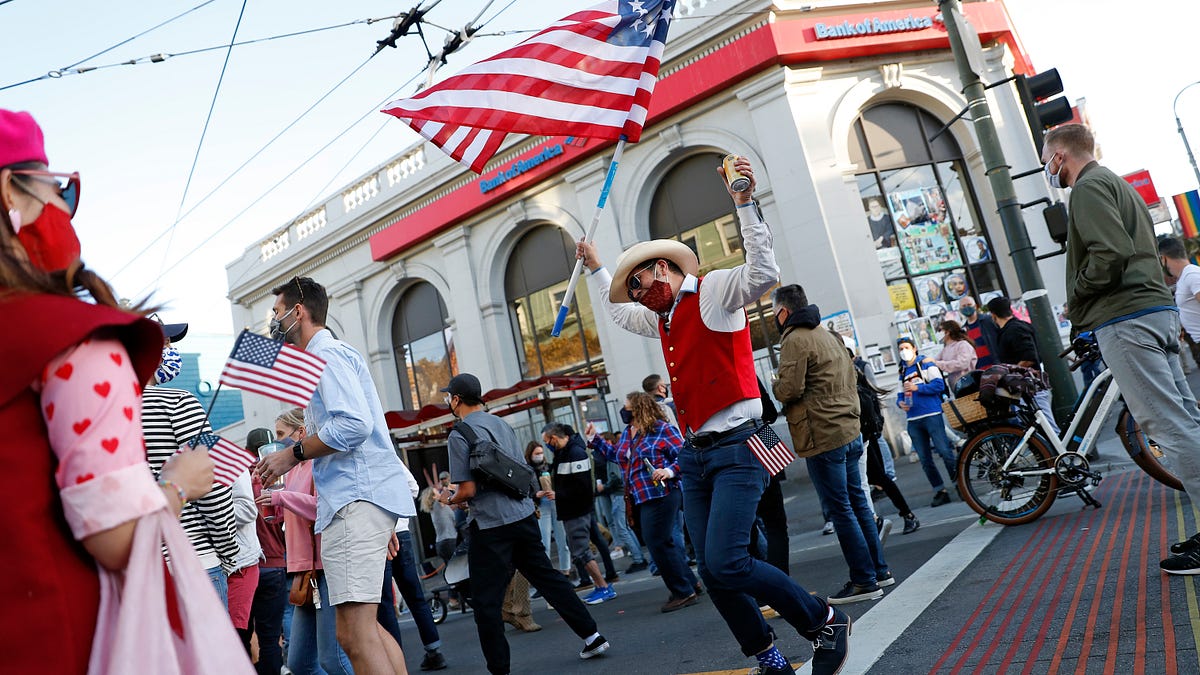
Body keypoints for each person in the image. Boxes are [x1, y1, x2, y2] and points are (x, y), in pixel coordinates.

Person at [576, 155, 850, 675]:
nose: (636, 294)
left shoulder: (713, 292)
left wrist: (744, 204)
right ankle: (769, 658)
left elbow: (764, 272)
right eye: (632, 289)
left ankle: (822, 620)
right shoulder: (662, 317)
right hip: (696, 455)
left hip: (739, 444)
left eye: (638, 283)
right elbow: (616, 313)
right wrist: (597, 267)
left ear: (662, 267)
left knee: (727, 562)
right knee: (714, 569)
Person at [0, 108, 239, 673]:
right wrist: (179, 485)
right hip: (60, 640)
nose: (65, 207)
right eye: (62, 190)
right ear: (13, 188)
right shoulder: (75, 343)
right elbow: (116, 538)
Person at [1042, 124, 1200, 575]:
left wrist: (1078, 294)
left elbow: (1109, 252)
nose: (1047, 172)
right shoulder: (1118, 185)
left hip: (1125, 317)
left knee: (1168, 425)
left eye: (1046, 163)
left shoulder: (1087, 189)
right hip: (1153, 311)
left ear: (1060, 156)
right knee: (1185, 419)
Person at [255, 276, 414, 675]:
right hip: (356, 500)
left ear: (298, 312)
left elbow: (353, 425)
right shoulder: (326, 358)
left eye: (276, 313)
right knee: (361, 630)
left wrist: (292, 454)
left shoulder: (325, 355)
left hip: (355, 500)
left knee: (355, 635)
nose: (273, 323)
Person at [438, 373, 610, 674]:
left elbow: (467, 490)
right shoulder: (501, 424)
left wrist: (448, 498)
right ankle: (592, 636)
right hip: (522, 514)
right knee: (549, 578)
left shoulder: (459, 434)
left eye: (448, 397)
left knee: (486, 601)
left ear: (455, 399)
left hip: (491, 526)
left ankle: (499, 668)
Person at [772, 284, 892, 605]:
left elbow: (788, 390)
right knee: (858, 503)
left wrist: (774, 382)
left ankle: (864, 580)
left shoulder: (795, 340)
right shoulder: (826, 334)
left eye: (774, 314)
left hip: (822, 435)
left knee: (841, 510)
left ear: (784, 312)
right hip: (849, 430)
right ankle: (879, 570)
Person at [142, 322, 240, 607]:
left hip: (138, 570)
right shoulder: (178, 403)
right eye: (167, 347)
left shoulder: (105, 413)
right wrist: (227, 550)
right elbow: (212, 485)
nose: (170, 353)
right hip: (193, 559)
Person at [258, 409, 353, 675]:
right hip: (303, 570)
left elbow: (322, 508)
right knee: (300, 662)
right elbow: (291, 512)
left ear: (300, 433)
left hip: (324, 565)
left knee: (333, 658)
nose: (277, 442)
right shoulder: (289, 472)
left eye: (280, 434)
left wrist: (281, 499)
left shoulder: (316, 464)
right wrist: (275, 507)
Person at [588, 393, 701, 612]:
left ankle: (683, 591)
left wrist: (668, 471)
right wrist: (596, 440)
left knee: (657, 542)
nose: (623, 411)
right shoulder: (629, 434)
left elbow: (684, 455)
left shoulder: (661, 428)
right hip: (641, 496)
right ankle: (690, 583)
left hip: (663, 493)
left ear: (638, 409)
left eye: (626, 407)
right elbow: (619, 456)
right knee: (663, 541)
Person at [541, 422, 616, 603]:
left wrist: (558, 494)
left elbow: (582, 486)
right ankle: (601, 586)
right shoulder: (563, 453)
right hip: (572, 509)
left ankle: (603, 587)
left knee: (581, 551)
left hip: (577, 509)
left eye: (547, 441)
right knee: (580, 550)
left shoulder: (575, 453)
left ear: (554, 438)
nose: (547, 446)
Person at [852, 352, 919, 535]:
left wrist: (874, 429)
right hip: (862, 434)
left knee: (874, 479)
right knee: (869, 481)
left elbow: (868, 400)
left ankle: (901, 516)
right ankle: (879, 520)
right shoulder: (851, 371)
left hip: (863, 436)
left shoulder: (853, 372)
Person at [246, 428, 289, 675]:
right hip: (275, 564)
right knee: (270, 639)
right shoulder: (278, 477)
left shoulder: (238, 476)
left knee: (242, 635)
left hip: (247, 565)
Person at [986, 297, 1061, 436]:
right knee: (1041, 431)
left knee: (1049, 430)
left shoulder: (1014, 329)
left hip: (1032, 388)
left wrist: (1009, 374)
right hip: (1026, 388)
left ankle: (1065, 455)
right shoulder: (1014, 328)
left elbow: (1029, 357)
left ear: (993, 315)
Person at [896, 336, 956, 507]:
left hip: (931, 413)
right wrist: (900, 403)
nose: (904, 351)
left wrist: (918, 388)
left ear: (914, 348)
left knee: (945, 451)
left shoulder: (926, 364)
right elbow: (900, 395)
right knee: (925, 459)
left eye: (906, 347)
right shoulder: (902, 371)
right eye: (900, 349)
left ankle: (959, 483)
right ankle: (939, 490)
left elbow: (939, 385)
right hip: (913, 419)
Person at [595, 431, 649, 573]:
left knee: (622, 528)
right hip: (619, 494)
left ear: (609, 442)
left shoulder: (614, 456)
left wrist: (604, 487)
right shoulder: (613, 455)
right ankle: (639, 558)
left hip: (619, 494)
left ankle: (638, 559)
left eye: (603, 441)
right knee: (625, 527)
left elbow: (617, 477)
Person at [523, 442, 573, 577]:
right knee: (544, 541)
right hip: (541, 505)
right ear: (530, 455)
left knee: (562, 539)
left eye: (541, 453)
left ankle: (566, 570)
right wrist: (535, 494)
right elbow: (524, 490)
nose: (540, 456)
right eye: (536, 454)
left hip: (554, 502)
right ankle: (548, 573)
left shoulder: (549, 466)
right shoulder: (527, 470)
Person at [229, 465, 264, 655]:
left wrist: (211, 508)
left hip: (241, 565)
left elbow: (249, 510)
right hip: (212, 565)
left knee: (236, 639)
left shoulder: (230, 461)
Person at [957, 296, 999, 369]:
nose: (966, 307)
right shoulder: (963, 331)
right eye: (963, 306)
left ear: (975, 306)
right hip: (979, 370)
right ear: (960, 310)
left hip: (996, 366)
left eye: (969, 304)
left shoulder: (988, 320)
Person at [934, 320, 978, 389]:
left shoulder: (963, 345)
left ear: (947, 332)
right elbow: (935, 360)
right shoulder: (945, 349)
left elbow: (962, 364)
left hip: (968, 385)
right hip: (956, 388)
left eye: (940, 330)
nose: (938, 333)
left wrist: (939, 364)